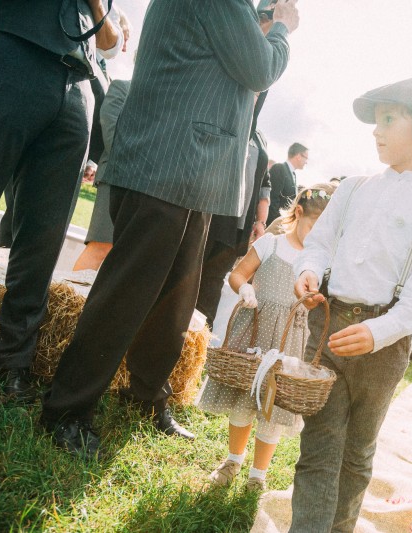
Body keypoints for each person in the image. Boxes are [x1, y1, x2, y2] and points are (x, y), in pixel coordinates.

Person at [41, 0, 299, 459]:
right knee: (126, 294)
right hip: (166, 166)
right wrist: (280, 30)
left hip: (190, 174)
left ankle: (145, 396)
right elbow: (259, 68)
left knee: (175, 302)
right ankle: (66, 410)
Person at [290, 78, 412, 532]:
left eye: (388, 120)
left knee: (358, 453)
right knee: (319, 448)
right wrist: (307, 270)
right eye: (376, 121)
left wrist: (380, 332)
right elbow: (318, 244)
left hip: (385, 343)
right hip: (328, 327)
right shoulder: (353, 188)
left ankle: (341, 527)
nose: (376, 131)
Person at [0, 0, 118, 402]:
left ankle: (11, 359)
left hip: (78, 84)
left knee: (44, 235)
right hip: (11, 54)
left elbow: (111, 44)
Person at [197, 183, 334, 493]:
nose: (316, 237)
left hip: (288, 339)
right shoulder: (270, 244)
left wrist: (311, 301)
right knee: (245, 398)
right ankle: (233, 460)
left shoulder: (318, 262)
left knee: (274, 406)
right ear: (299, 213)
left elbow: (313, 300)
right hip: (256, 330)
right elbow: (237, 274)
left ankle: (258, 475)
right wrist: (244, 288)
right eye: (313, 227)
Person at [195, 91, 273, 327]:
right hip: (208, 215)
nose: (255, 96)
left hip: (236, 224)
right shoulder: (222, 118)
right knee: (190, 276)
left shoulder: (259, 136)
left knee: (213, 281)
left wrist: (260, 222)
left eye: (260, 93)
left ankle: (199, 337)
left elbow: (264, 183)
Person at [72, 78, 131, 271]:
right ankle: (68, 298)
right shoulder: (122, 88)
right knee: (101, 247)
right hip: (115, 179)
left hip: (148, 187)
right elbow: (112, 137)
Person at [267, 142, 308, 225]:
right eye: (306, 158)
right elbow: (272, 199)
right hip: (273, 225)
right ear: (298, 156)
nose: (306, 162)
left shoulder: (293, 174)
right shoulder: (279, 168)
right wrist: (277, 225)